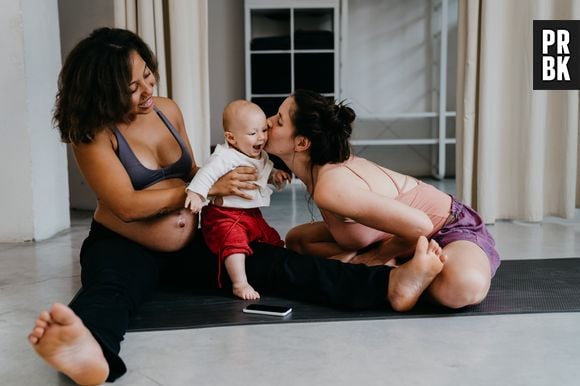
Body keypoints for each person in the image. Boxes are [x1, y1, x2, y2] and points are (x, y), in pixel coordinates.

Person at [27, 28, 445, 385]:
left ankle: (390, 286)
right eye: (132, 87)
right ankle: (90, 354)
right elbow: (128, 205)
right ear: (103, 92)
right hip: (125, 244)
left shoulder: (167, 110)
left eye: (148, 75)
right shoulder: (93, 133)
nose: (148, 90)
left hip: (197, 237)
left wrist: (219, 183)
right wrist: (205, 189)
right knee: (111, 291)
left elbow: (192, 170)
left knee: (278, 265)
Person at [265, 89, 501, 310]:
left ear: (302, 143)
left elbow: (422, 225)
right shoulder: (322, 174)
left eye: (278, 120)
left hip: (446, 229)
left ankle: (400, 272)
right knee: (297, 240)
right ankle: (405, 268)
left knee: (461, 288)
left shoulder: (331, 186)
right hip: (398, 235)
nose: (268, 122)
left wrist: (374, 258)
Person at [185, 100, 290, 300]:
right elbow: (205, 175)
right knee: (234, 243)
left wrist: (274, 175)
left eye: (263, 130)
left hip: (250, 213)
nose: (261, 137)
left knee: (271, 237)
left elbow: (261, 171)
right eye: (253, 133)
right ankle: (239, 283)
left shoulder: (260, 154)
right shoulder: (225, 157)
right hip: (224, 215)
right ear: (231, 138)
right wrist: (196, 194)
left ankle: (274, 267)